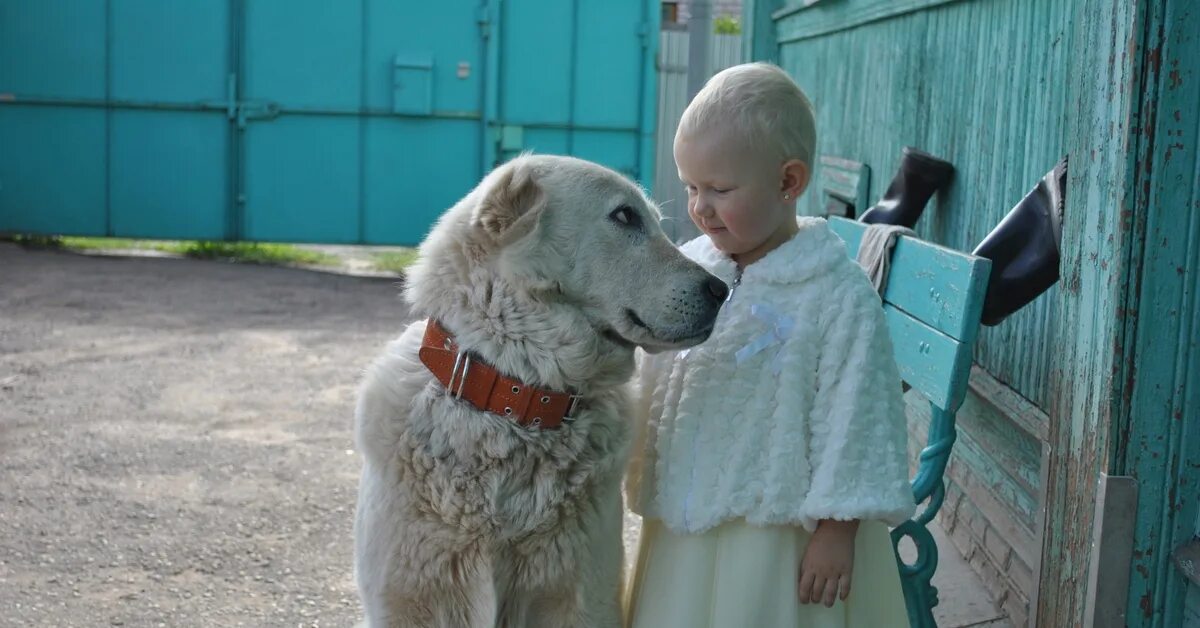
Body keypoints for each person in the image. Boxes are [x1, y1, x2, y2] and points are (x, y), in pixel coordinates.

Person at [625, 62, 915, 628]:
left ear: (788, 182)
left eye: (720, 189)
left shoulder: (834, 292)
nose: (699, 207)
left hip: (778, 537)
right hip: (686, 520)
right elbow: (653, 375)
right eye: (690, 187)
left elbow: (859, 411)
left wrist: (837, 528)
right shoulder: (691, 271)